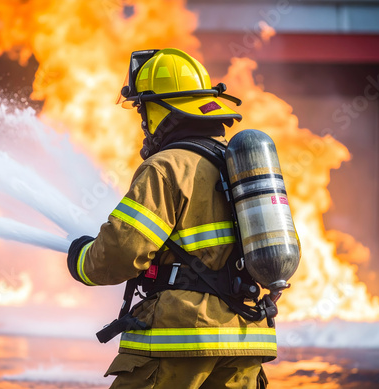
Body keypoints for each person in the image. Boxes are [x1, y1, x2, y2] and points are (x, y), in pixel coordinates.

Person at [67, 48, 274, 389]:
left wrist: (82, 261)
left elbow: (122, 251)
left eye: (143, 110)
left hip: (182, 339)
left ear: (159, 108)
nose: (143, 122)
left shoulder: (166, 167)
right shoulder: (232, 164)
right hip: (247, 337)